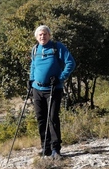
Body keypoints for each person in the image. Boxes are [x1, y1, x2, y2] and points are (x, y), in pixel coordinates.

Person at [29, 25, 77, 160]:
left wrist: (60, 78)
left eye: (45, 34)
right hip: (37, 89)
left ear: (49, 35)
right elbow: (33, 66)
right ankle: (46, 148)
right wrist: (31, 80)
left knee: (52, 118)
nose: (42, 37)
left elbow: (71, 63)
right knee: (41, 119)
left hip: (53, 89)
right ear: (36, 37)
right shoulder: (35, 49)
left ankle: (56, 149)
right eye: (40, 35)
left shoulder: (57, 47)